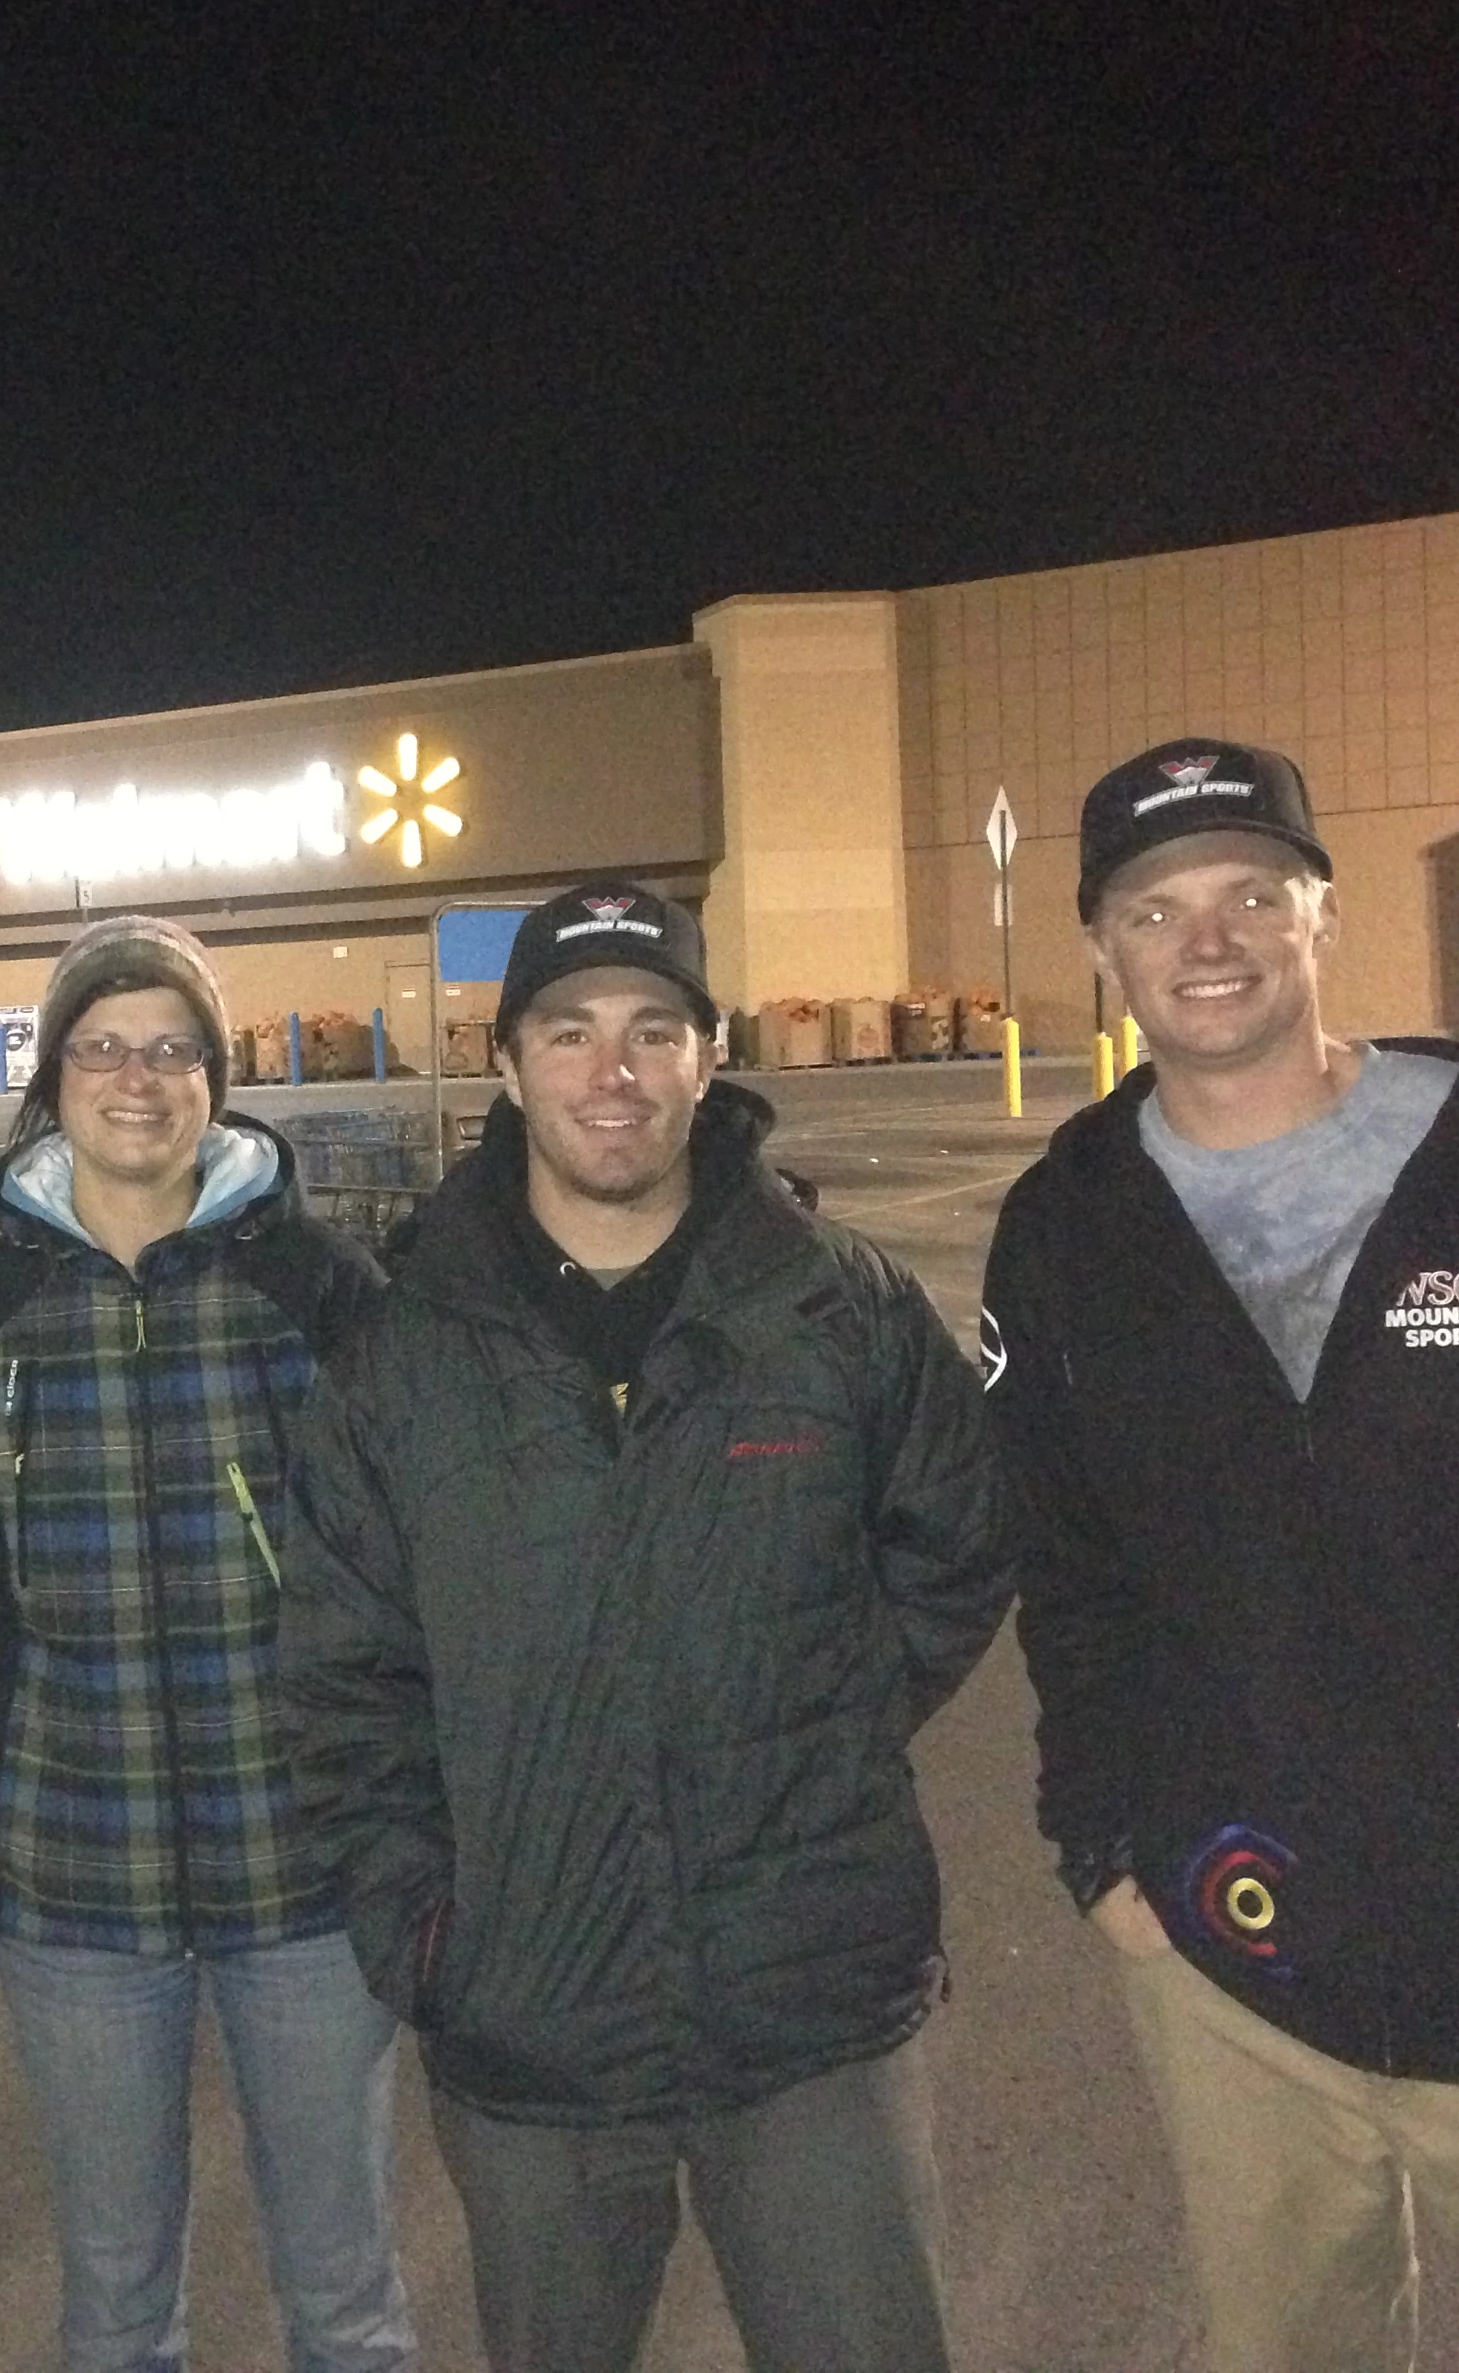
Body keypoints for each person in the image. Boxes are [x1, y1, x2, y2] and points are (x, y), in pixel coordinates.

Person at [983, 738, 1459, 2370]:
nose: (1209, 940)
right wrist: (1103, 1850)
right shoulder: (1069, 1225)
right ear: (1101, 950)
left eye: (1254, 894)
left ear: (1321, 916)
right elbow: (1070, 1570)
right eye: (1155, 907)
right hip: (1234, 1945)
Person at [278, 879, 1009, 2373]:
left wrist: (825, 1723)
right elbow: (347, 1678)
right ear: (506, 1063)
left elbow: (957, 1540)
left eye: (651, 1030)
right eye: (568, 1033)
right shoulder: (406, 1353)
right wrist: (428, 1930)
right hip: (532, 2016)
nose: (611, 1074)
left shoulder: (835, 1308)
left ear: (708, 1052)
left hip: (809, 2009)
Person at [0, 917, 417, 2373]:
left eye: (173, 1047)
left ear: (218, 1075)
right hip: (77, 1884)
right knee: (118, 2303)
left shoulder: (316, 1293)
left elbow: (402, 1580)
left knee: (346, 2295)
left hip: (305, 1875)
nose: (140, 1076)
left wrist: (403, 1819)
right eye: (104, 1046)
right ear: (53, 1076)